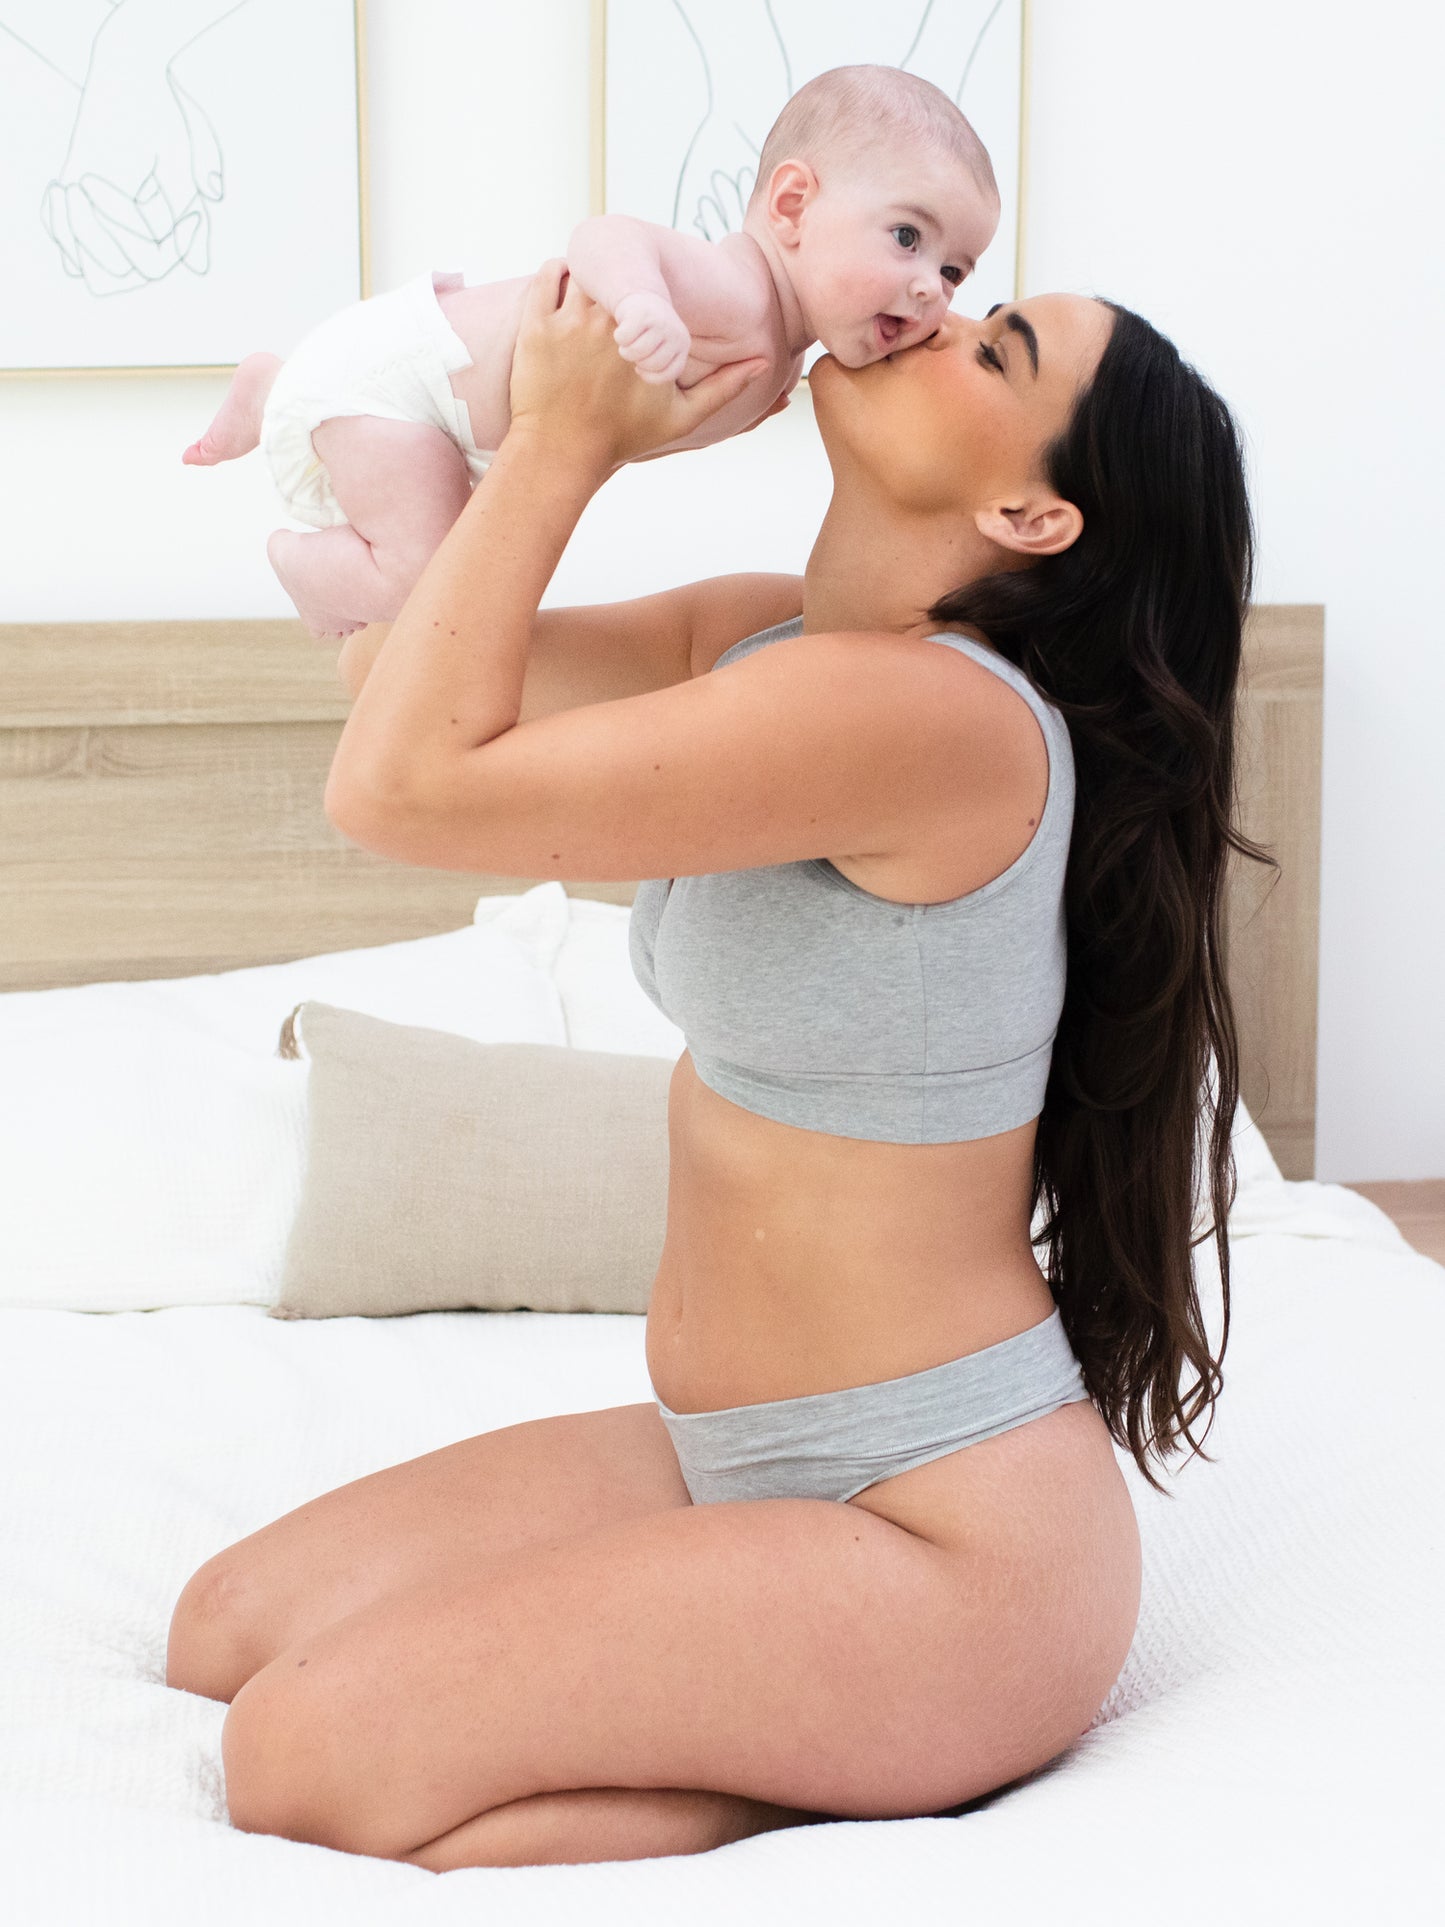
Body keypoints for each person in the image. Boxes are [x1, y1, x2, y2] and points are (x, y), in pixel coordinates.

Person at [165, 254, 1265, 1872]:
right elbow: (392, 679)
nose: (927, 317)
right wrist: (578, 435)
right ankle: (800, 1722)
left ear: (1036, 516)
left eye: (995, 344)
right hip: (730, 1454)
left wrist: (563, 448)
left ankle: (856, 1764)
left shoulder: (944, 723)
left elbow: (392, 796)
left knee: (298, 1759)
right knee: (222, 1631)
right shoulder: (763, 641)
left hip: (943, 1533)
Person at [179, 66, 998, 640]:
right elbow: (604, 235)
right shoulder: (738, 287)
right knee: (426, 582)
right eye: (905, 237)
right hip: (401, 391)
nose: (930, 286)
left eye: (954, 269)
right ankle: (297, 562)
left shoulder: (782, 353)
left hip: (434, 406)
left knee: (452, 565)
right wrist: (640, 300)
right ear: (791, 206)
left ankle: (274, 385)